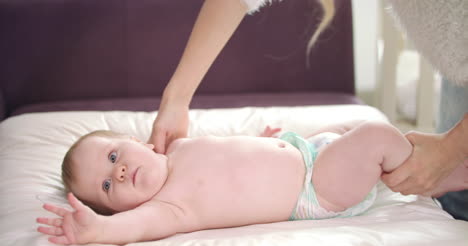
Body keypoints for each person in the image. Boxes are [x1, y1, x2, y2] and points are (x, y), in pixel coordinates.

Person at [147, 0, 468, 219]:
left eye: (113, 155)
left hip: (312, 173)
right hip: (458, 63)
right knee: (448, 193)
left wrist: (451, 148)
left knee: (393, 144)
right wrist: (176, 97)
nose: (118, 172)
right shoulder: (169, 197)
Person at [36, 121, 468, 245]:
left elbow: (230, 153)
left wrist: (267, 144)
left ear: (136, 142)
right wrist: (97, 228)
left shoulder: (179, 147)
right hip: (314, 190)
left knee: (363, 127)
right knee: (378, 140)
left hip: (306, 150)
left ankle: (444, 168)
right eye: (109, 187)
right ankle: (446, 174)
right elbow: (134, 229)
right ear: (122, 209)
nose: (120, 173)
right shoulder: (168, 208)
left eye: (114, 158)